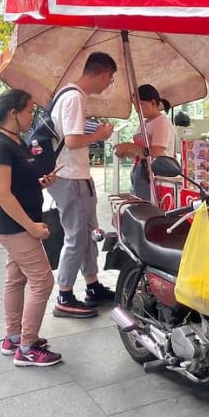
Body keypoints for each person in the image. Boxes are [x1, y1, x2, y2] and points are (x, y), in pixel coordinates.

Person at [0, 89, 62, 367]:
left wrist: (41, 183)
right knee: (43, 280)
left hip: (20, 223)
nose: (33, 117)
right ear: (13, 113)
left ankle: (14, 337)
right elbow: (2, 194)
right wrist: (31, 226)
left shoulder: (15, 141)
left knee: (16, 279)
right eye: (29, 111)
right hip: (15, 227)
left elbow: (17, 182)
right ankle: (27, 347)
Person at [48, 52, 116, 318]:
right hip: (71, 177)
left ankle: (92, 285)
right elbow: (74, 140)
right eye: (110, 78)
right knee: (76, 236)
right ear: (103, 73)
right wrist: (100, 134)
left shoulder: (70, 94)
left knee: (88, 233)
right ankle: (64, 294)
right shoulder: (74, 97)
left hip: (76, 176)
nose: (108, 84)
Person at [114, 84, 175, 202]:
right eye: (135, 105)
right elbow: (142, 152)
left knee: (146, 208)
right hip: (140, 171)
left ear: (152, 103)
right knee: (138, 205)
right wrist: (126, 153)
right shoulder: (144, 123)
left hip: (153, 176)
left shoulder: (161, 123)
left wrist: (128, 145)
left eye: (140, 104)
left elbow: (157, 152)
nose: (137, 109)